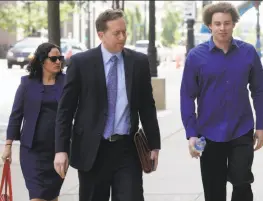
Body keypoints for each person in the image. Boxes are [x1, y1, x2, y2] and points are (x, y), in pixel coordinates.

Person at [54, 9, 161, 201]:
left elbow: (147, 106)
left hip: (127, 150)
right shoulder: (81, 63)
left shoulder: (138, 62)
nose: (122, 37)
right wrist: (61, 149)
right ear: (101, 35)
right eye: (116, 33)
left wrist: (154, 145)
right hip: (93, 151)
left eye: (124, 32)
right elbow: (65, 110)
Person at [180, 2, 263, 201]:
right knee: (213, 189)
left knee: (242, 181)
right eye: (218, 23)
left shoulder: (248, 52)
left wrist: (262, 125)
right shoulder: (196, 57)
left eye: (227, 23)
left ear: (233, 24)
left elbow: (260, 91)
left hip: (242, 129)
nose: (223, 28)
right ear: (210, 25)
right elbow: (187, 96)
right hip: (208, 132)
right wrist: (191, 134)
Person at [1, 42, 65, 201]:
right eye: (54, 58)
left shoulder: (67, 82)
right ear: (42, 60)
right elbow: (16, 115)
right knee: (37, 197)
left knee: (52, 196)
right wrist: (8, 146)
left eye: (60, 58)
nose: (58, 62)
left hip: (58, 150)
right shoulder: (27, 83)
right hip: (32, 151)